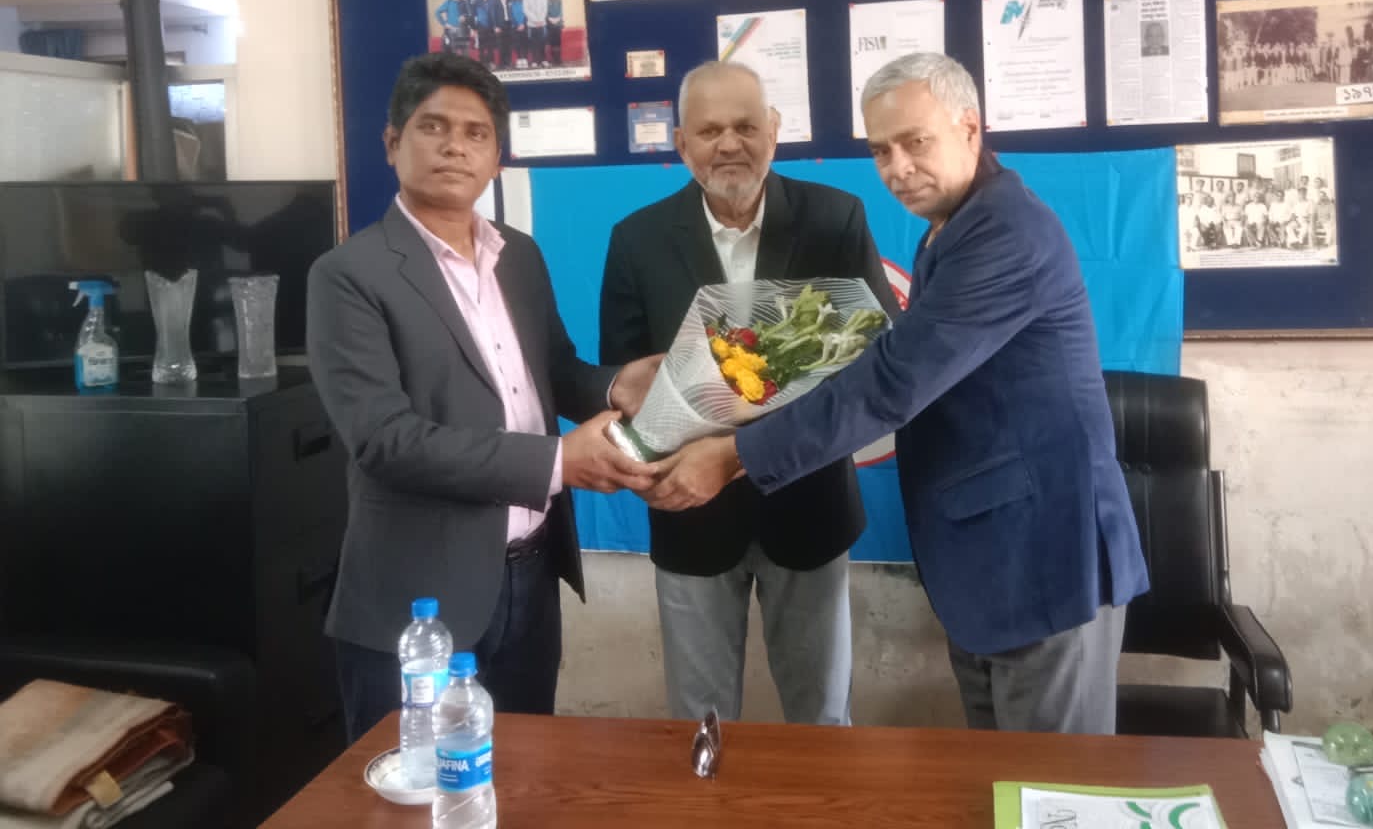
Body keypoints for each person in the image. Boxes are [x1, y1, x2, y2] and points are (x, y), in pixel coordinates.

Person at [646, 52, 1149, 735]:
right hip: (987, 562)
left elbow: (891, 382)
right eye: (881, 150)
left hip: (1046, 558)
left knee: (1053, 783)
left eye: (916, 142)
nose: (898, 168)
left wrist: (735, 455)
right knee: (998, 778)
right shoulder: (955, 225)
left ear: (969, 128)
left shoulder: (1006, 233)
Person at [307, 53, 662, 744]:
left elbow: (551, 371)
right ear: (392, 142)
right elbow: (385, 441)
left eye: (476, 134)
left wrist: (617, 385)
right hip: (417, 604)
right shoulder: (348, 275)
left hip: (531, 578)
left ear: (497, 158)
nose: (454, 147)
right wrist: (558, 463)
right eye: (433, 127)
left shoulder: (517, 256)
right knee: (416, 791)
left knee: (527, 777)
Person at [599, 60, 897, 726]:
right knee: (699, 724)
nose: (729, 144)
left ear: (774, 131)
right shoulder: (636, 240)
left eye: (745, 126)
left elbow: (876, 358)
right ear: (681, 143)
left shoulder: (835, 219)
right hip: (691, 516)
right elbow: (623, 383)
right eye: (709, 131)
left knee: (823, 721)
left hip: (810, 507)